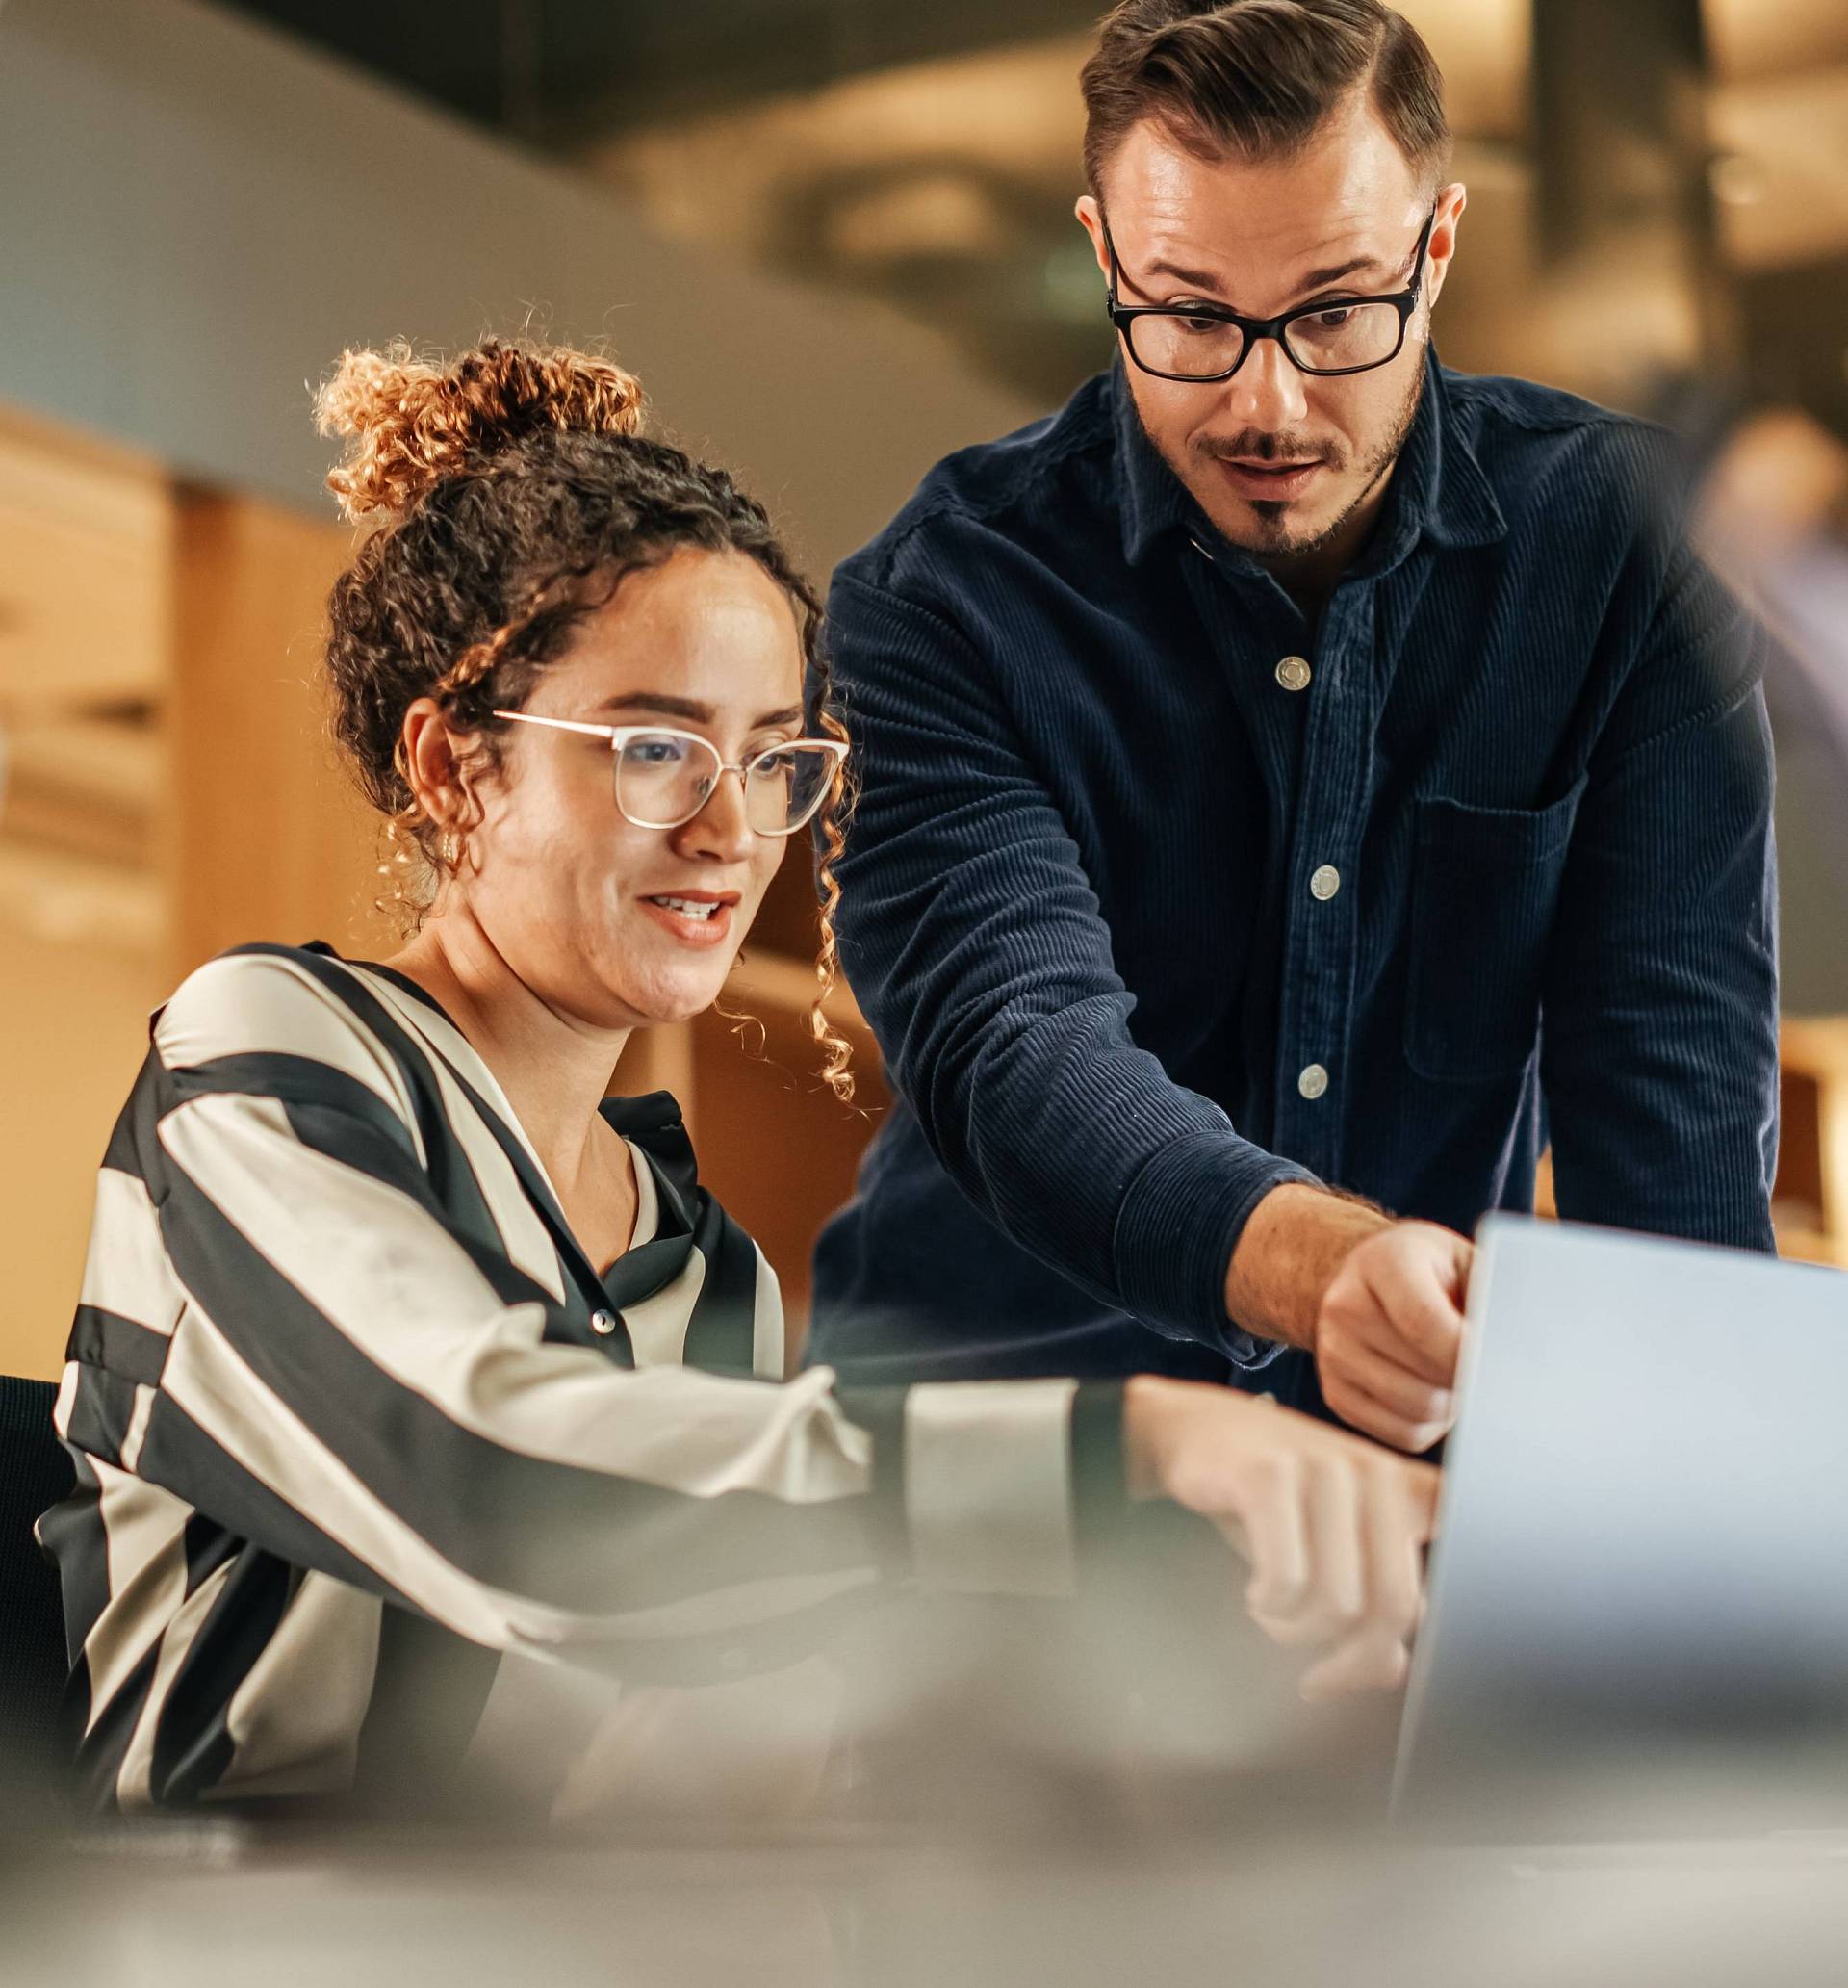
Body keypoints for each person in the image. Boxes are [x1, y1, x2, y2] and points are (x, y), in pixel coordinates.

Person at [38, 338, 1438, 1816]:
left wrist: (1178, 1654)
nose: (730, 832)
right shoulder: (264, 1050)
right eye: (656, 747)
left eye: (775, 762)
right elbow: (490, 1479)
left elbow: (691, 1714)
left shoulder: (701, 1267)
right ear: (454, 768)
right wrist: (1125, 1449)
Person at [808, 0, 1780, 1446]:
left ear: (1437, 249)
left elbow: (1676, 1131)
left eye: (1335, 311)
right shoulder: (944, 598)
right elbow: (1016, 1047)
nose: (1269, 402)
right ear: (1103, 257)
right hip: (991, 1462)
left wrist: (1705, 1537)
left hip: (1395, 1482)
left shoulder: (1624, 556)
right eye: (1192, 315)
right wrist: (1323, 1267)